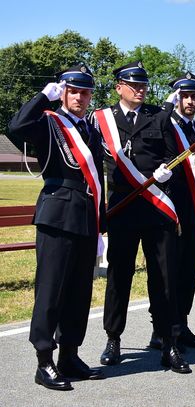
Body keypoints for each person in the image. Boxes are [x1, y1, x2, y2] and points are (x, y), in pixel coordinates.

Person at [9, 64, 106, 390]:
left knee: (79, 292)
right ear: (62, 91)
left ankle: (69, 355)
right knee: (51, 291)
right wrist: (41, 97)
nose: (80, 96)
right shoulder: (50, 123)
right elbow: (17, 125)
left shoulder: (90, 130)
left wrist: (101, 227)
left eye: (85, 91)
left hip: (85, 218)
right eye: (73, 90)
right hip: (57, 214)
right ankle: (44, 361)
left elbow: (97, 181)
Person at [96, 61, 190, 374]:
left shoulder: (159, 116)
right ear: (118, 87)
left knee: (164, 278)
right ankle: (113, 338)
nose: (139, 90)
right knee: (119, 277)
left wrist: (166, 172)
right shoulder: (103, 120)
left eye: (143, 85)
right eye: (133, 84)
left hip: (156, 209)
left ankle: (169, 342)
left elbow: (173, 157)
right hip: (123, 209)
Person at [147, 72, 195, 351]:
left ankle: (181, 325)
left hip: (194, 211)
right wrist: (165, 109)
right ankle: (160, 329)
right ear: (176, 98)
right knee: (167, 275)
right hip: (172, 210)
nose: (190, 101)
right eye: (185, 96)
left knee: (187, 272)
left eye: (194, 96)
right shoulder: (166, 126)